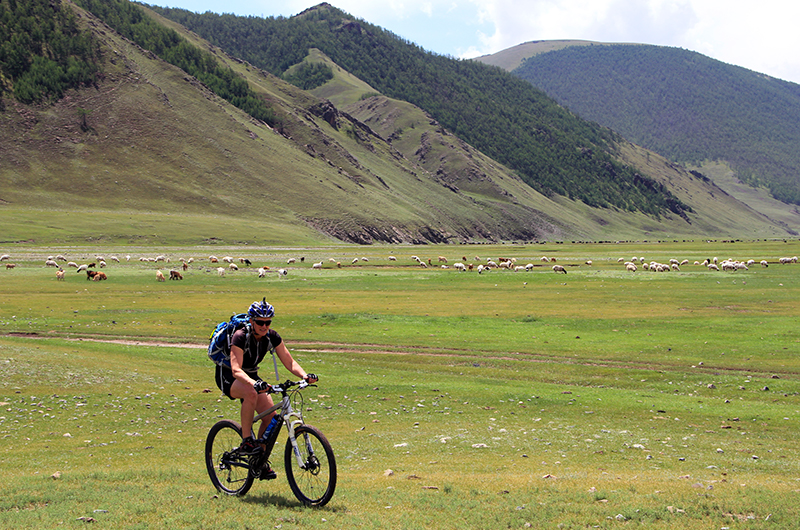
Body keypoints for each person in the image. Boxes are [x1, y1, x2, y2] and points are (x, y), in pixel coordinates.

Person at [214, 298, 317, 460]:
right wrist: (255, 384)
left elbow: (289, 361)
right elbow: (236, 369)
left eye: (268, 322)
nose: (264, 326)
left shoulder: (271, 337)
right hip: (228, 375)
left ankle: (259, 461)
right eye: (260, 322)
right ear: (251, 321)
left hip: (252, 376)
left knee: (270, 419)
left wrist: (304, 375)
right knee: (251, 393)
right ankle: (246, 441)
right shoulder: (240, 337)